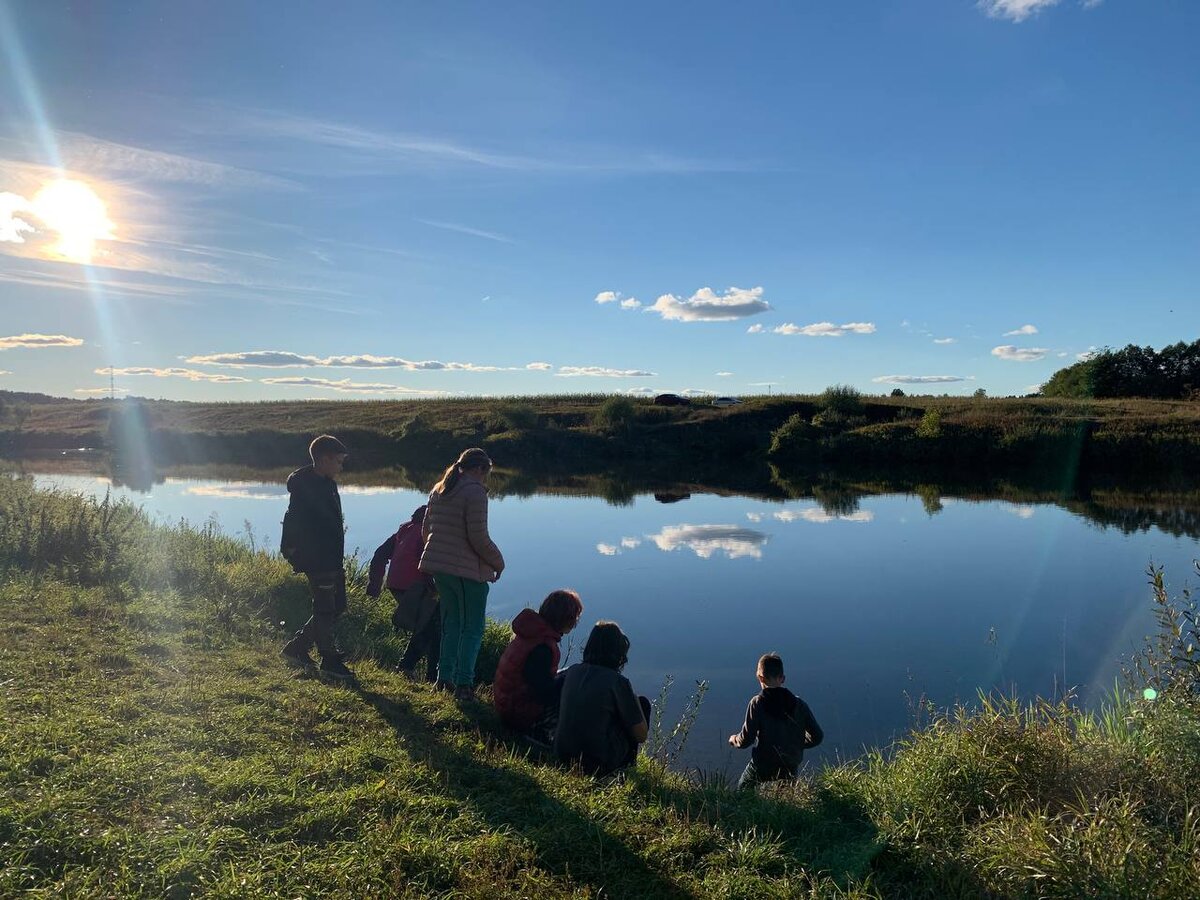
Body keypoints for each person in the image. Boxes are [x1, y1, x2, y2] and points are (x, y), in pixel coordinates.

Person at [418, 447, 505, 701]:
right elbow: (478, 537)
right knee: (473, 628)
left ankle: (443, 679)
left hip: (440, 569)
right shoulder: (475, 492)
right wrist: (498, 562)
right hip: (467, 572)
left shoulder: (439, 489)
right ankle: (464, 685)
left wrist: (437, 558)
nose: (485, 479)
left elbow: (426, 530)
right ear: (479, 469)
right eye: (486, 473)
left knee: (452, 625)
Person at [279, 434, 355, 681]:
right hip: (316, 557)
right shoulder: (305, 487)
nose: (341, 467)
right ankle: (329, 660)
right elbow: (293, 520)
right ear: (324, 459)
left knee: (338, 606)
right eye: (339, 462)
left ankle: (297, 648)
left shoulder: (328, 484)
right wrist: (292, 551)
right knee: (324, 608)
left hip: (332, 557)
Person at [554, 621, 651, 776]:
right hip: (596, 764)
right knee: (643, 704)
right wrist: (631, 698)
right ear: (619, 652)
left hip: (562, 754)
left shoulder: (572, 672)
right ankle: (625, 768)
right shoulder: (617, 682)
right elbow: (641, 735)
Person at [492, 589, 584, 745]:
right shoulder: (543, 648)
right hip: (517, 714)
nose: (575, 623)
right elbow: (542, 691)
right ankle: (542, 735)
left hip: (507, 703)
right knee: (572, 688)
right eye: (574, 618)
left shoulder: (532, 634)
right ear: (565, 619)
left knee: (570, 674)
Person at [366, 504, 440, 682]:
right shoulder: (428, 533)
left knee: (429, 625)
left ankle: (420, 672)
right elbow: (427, 564)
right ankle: (416, 671)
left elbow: (379, 554)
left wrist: (375, 585)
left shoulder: (405, 530)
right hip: (416, 585)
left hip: (396, 585)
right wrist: (435, 588)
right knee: (431, 626)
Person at [728, 652, 822, 790]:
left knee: (743, 791)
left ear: (760, 678)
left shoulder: (757, 703)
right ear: (782, 678)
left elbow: (746, 740)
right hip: (789, 764)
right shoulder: (799, 704)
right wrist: (796, 744)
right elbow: (818, 736)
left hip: (763, 764)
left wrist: (734, 739)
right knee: (786, 803)